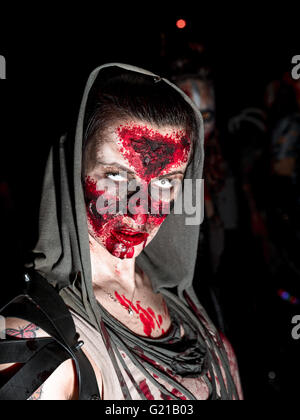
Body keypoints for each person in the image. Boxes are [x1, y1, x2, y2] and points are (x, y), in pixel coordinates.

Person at [0, 64, 243, 400]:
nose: (141, 208)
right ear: (74, 168)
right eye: (116, 177)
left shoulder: (186, 297)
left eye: (164, 182)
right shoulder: (36, 343)